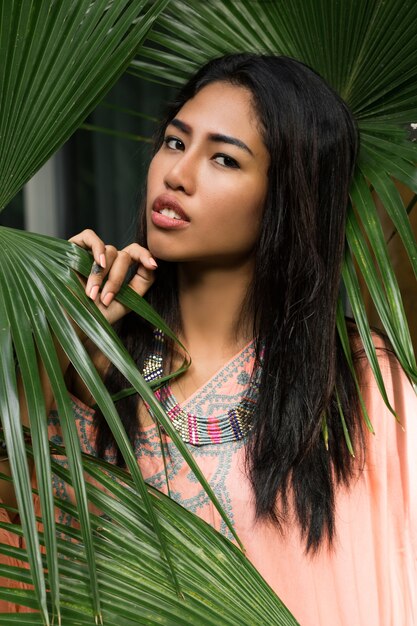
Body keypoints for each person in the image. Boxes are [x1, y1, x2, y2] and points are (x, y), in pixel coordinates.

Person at [0, 53, 416, 625]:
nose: (178, 174)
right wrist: (74, 347)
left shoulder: (369, 389)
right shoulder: (90, 366)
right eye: (174, 143)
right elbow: (28, 562)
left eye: (223, 158)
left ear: (286, 196)